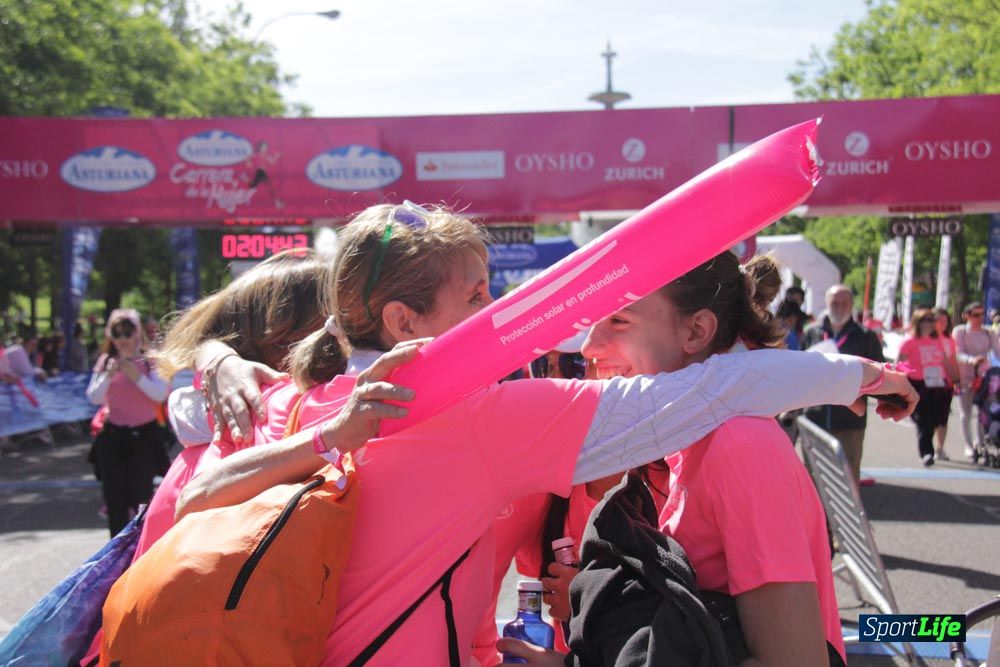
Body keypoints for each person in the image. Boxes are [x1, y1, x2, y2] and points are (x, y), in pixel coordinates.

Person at [174, 204, 914, 665]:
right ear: (403, 322)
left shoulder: (287, 402)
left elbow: (191, 488)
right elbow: (725, 386)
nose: (496, 318)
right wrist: (868, 376)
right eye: (474, 296)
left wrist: (235, 369)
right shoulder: (482, 421)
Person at [500, 253, 861, 666]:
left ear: (697, 331)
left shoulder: (740, 448)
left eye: (619, 321)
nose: (589, 347)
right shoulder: (677, 441)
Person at [85, 309, 169, 536]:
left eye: (127, 332)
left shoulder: (150, 361)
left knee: (140, 497)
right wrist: (109, 375)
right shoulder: (106, 361)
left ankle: (140, 549)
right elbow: (94, 397)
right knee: (114, 499)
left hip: (143, 437)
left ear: (137, 333)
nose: (122, 339)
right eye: (117, 333)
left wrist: (137, 377)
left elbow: (160, 395)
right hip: (113, 436)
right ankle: (116, 553)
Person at [801, 285, 885, 483]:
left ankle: (843, 516)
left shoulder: (866, 336)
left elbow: (880, 375)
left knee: (846, 480)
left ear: (851, 305)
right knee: (812, 478)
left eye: (844, 303)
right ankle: (816, 515)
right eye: (834, 303)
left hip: (849, 421)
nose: (839, 307)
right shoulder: (811, 332)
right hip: (815, 417)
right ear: (827, 304)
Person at [898, 308, 960, 466]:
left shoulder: (937, 341)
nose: (930, 323)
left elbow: (945, 361)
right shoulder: (909, 342)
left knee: (935, 420)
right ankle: (926, 453)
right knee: (923, 420)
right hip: (918, 385)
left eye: (931, 320)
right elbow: (899, 365)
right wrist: (899, 384)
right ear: (918, 322)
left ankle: (929, 449)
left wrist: (955, 380)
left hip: (938, 385)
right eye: (926, 320)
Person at [952, 302, 1000, 459]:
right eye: (975, 315)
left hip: (984, 378)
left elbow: (997, 352)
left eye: (982, 314)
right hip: (965, 377)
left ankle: (980, 442)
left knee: (984, 412)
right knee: (966, 412)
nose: (979, 318)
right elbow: (957, 353)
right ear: (966, 316)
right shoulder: (960, 331)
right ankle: (968, 445)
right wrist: (971, 359)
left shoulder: (988, 333)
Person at [932, 307, 958, 459]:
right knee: (930, 417)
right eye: (938, 320)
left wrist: (956, 381)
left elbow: (953, 360)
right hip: (927, 384)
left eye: (944, 320)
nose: (942, 323)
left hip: (945, 384)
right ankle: (927, 446)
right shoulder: (925, 338)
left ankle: (940, 448)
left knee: (943, 417)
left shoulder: (950, 340)